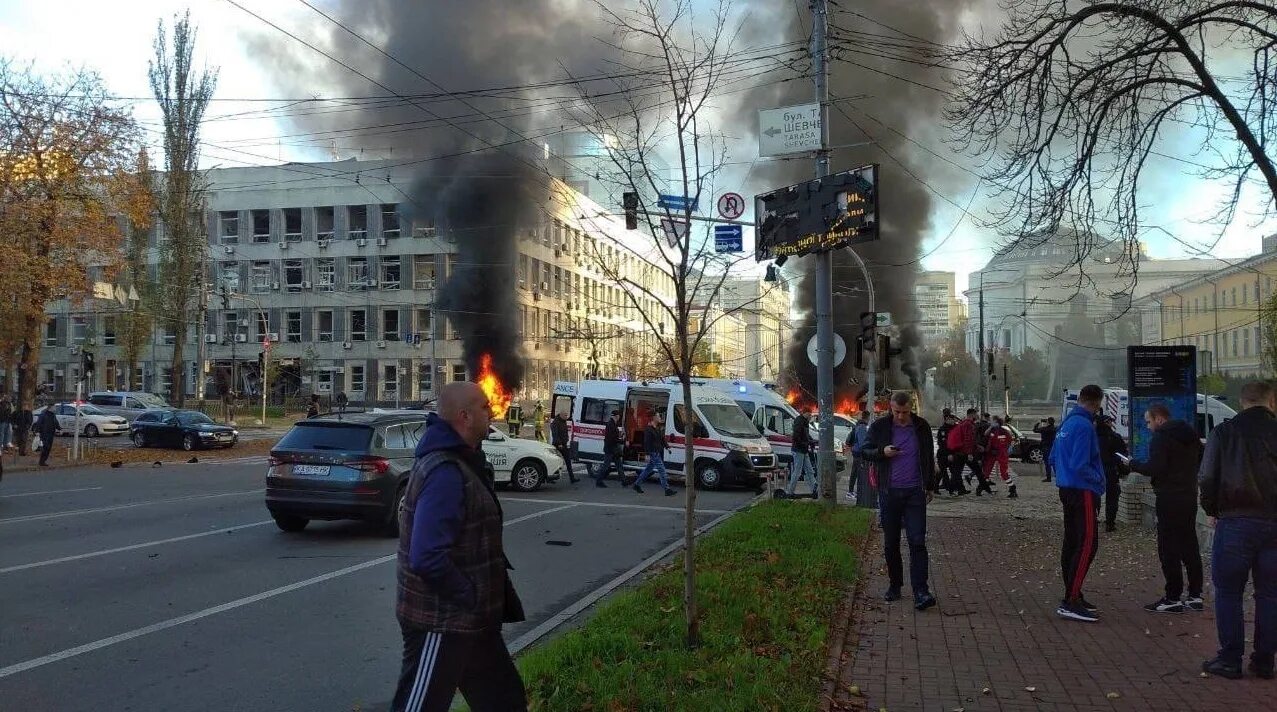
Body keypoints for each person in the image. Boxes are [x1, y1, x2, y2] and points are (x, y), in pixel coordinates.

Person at [391, 381, 527, 711]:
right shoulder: (445, 473)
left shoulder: (463, 461)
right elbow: (426, 557)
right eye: (484, 407)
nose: (492, 411)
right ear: (464, 416)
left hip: (473, 623)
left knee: (505, 702)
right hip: (442, 622)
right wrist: (470, 596)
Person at [1198, 380, 1277, 680]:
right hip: (1274, 524)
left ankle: (1230, 659)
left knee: (1229, 592)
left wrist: (1212, 509)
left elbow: (1206, 477)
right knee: (1270, 593)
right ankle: (1265, 660)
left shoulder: (1224, 432)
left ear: (1243, 401)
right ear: (1271, 401)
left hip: (1234, 522)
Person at [861, 391, 938, 610]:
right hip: (889, 492)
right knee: (891, 542)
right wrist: (882, 452)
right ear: (891, 408)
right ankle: (895, 585)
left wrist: (930, 485)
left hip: (915, 492)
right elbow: (863, 451)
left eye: (905, 412)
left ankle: (921, 591)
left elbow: (928, 456)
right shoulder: (880, 427)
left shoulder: (921, 427)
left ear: (911, 408)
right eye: (897, 412)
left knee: (917, 541)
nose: (901, 417)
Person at [1127, 403, 1204, 615]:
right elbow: (1201, 460)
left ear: (1159, 419)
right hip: (1188, 495)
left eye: (1149, 421)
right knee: (1189, 544)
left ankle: (1172, 597)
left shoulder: (1161, 437)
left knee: (1168, 548)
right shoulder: (1191, 436)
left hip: (1168, 497)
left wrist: (1133, 464)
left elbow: (1156, 467)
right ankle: (1195, 595)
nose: (1148, 426)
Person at [1050, 384, 1106, 623]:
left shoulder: (1066, 424)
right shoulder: (1084, 426)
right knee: (1087, 544)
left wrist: (1063, 476)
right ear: (1096, 403)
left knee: (1072, 542)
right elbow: (1080, 463)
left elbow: (1052, 457)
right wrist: (1099, 481)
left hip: (1066, 488)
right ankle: (1071, 600)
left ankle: (1073, 593)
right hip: (1082, 490)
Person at [1095, 415, 1128, 533]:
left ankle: (1093, 519)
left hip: (1095, 471)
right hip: (1110, 470)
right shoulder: (1114, 437)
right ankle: (1110, 523)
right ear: (1107, 423)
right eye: (1110, 421)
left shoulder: (1092, 437)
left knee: (1094, 495)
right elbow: (1122, 456)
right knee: (1112, 497)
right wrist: (1124, 470)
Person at [633, 413, 675, 496]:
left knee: (648, 470)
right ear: (654, 418)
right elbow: (646, 442)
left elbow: (662, 439)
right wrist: (649, 453)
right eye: (659, 416)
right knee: (662, 470)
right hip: (654, 452)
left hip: (657, 451)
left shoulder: (657, 428)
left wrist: (667, 447)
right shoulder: (649, 429)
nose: (660, 418)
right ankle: (667, 489)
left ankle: (636, 484)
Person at [785, 406, 817, 498]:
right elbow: (796, 436)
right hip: (799, 450)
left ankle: (814, 489)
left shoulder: (805, 421)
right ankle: (790, 491)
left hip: (804, 449)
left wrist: (811, 441)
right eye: (810, 414)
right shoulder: (799, 421)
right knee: (797, 471)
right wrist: (806, 443)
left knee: (810, 470)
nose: (811, 416)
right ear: (805, 413)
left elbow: (806, 435)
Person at [983, 415, 1016, 498]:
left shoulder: (1003, 431)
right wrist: (991, 427)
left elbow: (1009, 441)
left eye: (992, 421)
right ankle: (982, 486)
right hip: (993, 453)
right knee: (987, 471)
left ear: (996, 422)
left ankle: (1012, 488)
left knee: (1003, 473)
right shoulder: (993, 430)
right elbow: (986, 434)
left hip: (1001, 453)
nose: (991, 422)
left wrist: (1007, 449)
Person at [591, 409, 623, 487]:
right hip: (610, 449)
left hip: (613, 449)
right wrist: (621, 440)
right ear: (616, 416)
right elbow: (611, 438)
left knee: (619, 465)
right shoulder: (611, 425)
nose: (619, 417)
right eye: (618, 415)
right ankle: (598, 481)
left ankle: (624, 481)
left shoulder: (613, 424)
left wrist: (620, 437)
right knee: (605, 466)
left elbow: (613, 436)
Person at [846, 410, 871, 500]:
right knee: (857, 472)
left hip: (855, 451)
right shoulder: (862, 427)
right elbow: (862, 442)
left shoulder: (858, 425)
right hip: (859, 452)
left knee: (856, 472)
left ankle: (851, 491)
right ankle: (851, 491)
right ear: (867, 417)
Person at [549, 411, 576, 483]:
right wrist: (559, 443)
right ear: (561, 415)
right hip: (558, 445)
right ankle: (551, 477)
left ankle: (572, 478)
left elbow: (565, 432)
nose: (566, 417)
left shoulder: (563, 421)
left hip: (563, 444)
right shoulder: (555, 422)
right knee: (555, 461)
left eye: (567, 415)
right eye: (565, 415)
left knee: (568, 461)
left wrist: (566, 440)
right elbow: (555, 434)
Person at [1034, 417, 1058, 482]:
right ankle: (1058, 477)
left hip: (1046, 447)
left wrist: (1038, 422)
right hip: (1053, 447)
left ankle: (1049, 477)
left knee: (1047, 463)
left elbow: (1035, 430)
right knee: (1054, 462)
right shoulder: (1055, 429)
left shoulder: (1044, 429)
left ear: (1048, 422)